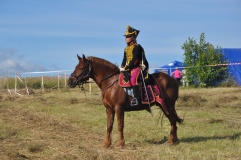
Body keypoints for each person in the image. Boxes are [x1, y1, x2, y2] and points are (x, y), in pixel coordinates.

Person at [120, 26, 149, 106]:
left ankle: (137, 99)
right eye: (125, 36)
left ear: (133, 37)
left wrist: (127, 67)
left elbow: (135, 60)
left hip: (137, 67)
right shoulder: (126, 49)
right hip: (128, 68)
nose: (126, 38)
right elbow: (124, 59)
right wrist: (122, 67)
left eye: (128, 36)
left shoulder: (137, 47)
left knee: (133, 80)